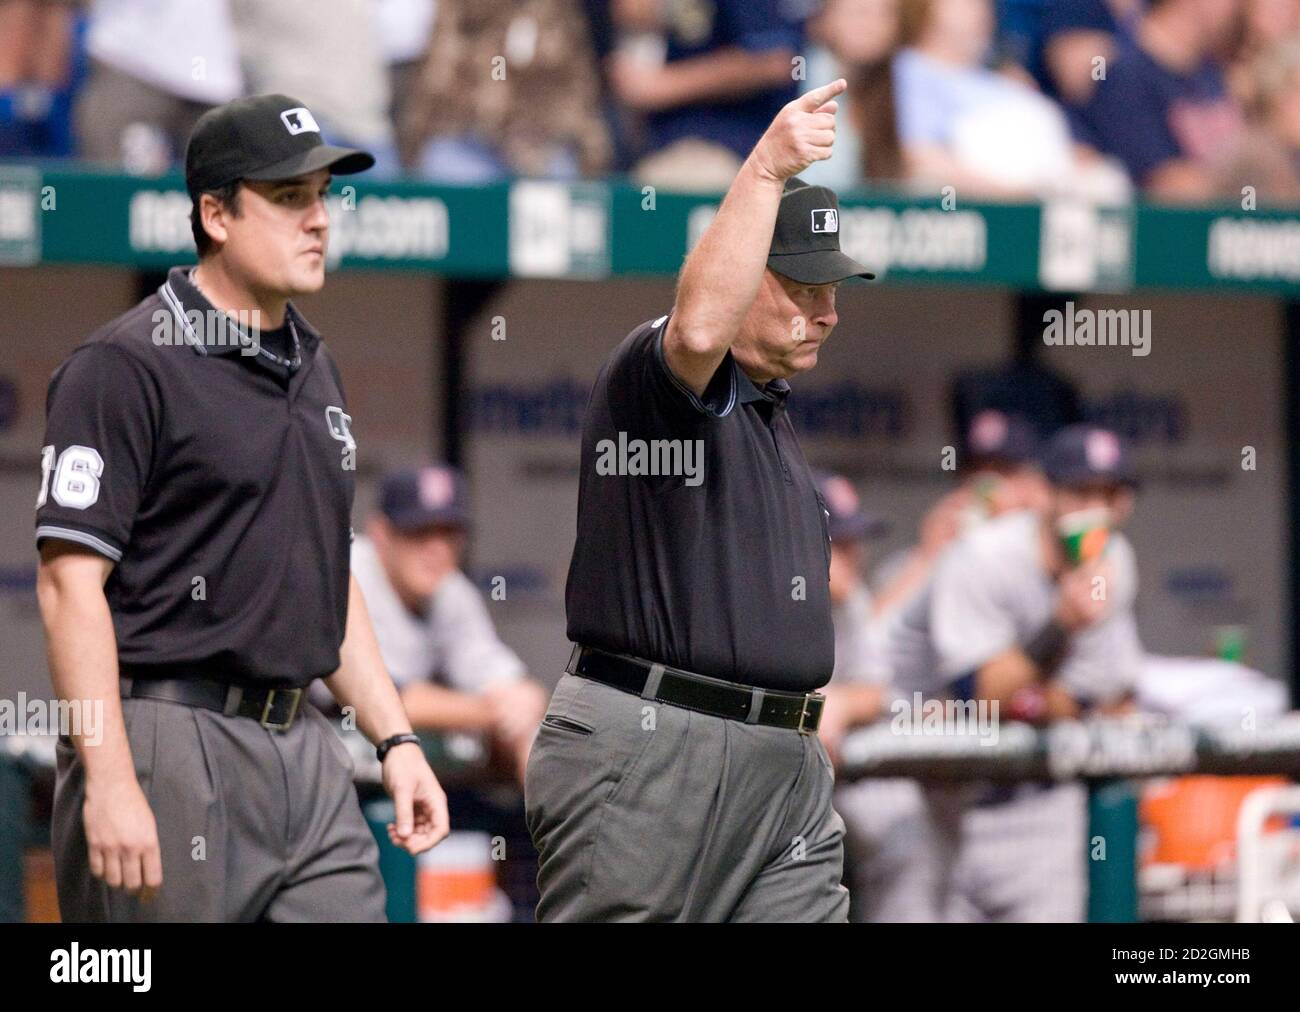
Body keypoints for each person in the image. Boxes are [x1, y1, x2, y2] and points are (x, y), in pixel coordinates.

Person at [35, 93, 448, 922]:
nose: (320, 220)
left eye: (324, 196)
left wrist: (396, 737)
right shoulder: (125, 362)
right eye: (291, 198)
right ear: (215, 214)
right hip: (167, 736)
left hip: (305, 746)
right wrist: (109, 778)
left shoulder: (316, 365)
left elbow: (329, 585)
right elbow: (66, 589)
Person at [525, 78, 874, 922]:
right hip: (654, 744)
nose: (827, 313)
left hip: (782, 761)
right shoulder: (659, 377)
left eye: (834, 290)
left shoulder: (769, 411)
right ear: (744, 266)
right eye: (802, 287)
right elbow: (696, 332)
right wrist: (763, 171)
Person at [889, 424, 1144, 922]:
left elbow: (1098, 698)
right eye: (1080, 491)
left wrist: (1028, 698)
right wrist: (1060, 627)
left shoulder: (1114, 563)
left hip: (1040, 800)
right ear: (1044, 493)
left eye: (1109, 494)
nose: (1095, 510)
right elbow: (979, 693)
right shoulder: (984, 555)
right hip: (933, 793)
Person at [349, 464, 547, 787]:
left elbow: (509, 682)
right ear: (381, 534)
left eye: (449, 533)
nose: (437, 549)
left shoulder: (450, 589)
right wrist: (491, 712)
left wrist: (524, 702)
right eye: (420, 532)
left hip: (392, 763)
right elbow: (381, 697)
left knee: (533, 739)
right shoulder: (350, 572)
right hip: (317, 754)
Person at [1080, 0, 1246, 199]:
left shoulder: (1211, 74)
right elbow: (1166, 182)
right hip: (1163, 225)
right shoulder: (1125, 75)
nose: (1237, 6)